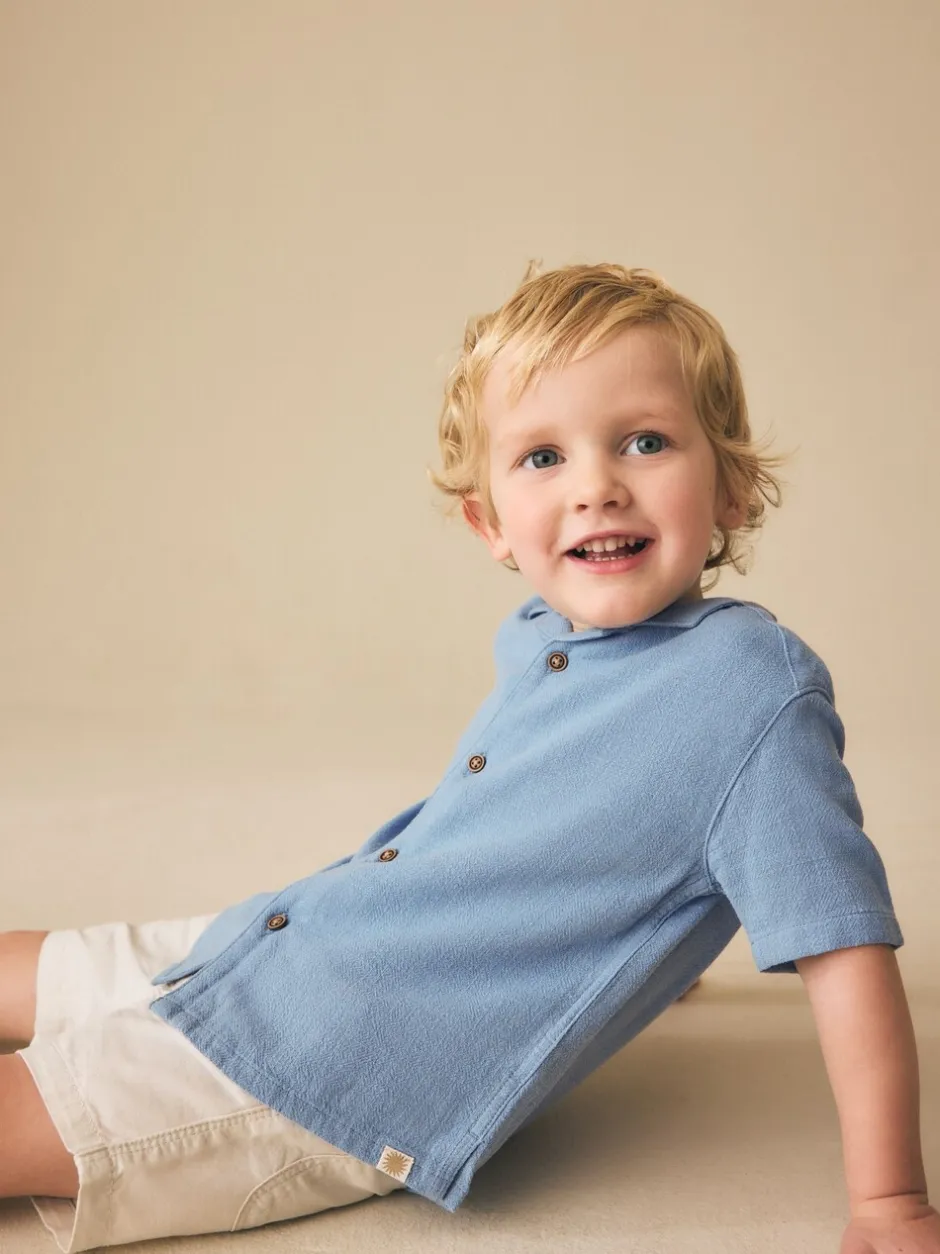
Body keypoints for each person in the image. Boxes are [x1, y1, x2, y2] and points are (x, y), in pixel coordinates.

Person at [1, 262, 936, 1254]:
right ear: (490, 524)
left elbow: (844, 948)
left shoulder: (749, 691)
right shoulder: (540, 633)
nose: (596, 487)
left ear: (733, 486)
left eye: (646, 441)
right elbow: (592, 824)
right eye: (543, 457)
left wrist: (891, 1200)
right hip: (286, 938)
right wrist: (650, 938)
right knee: (19, 959)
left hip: (332, 1066)